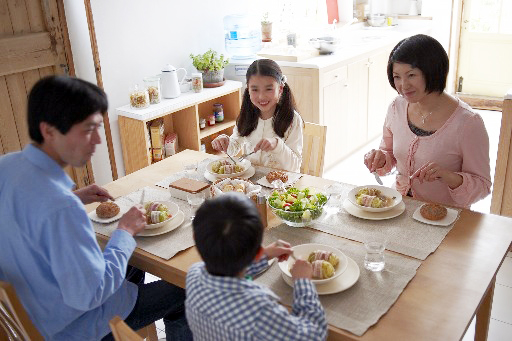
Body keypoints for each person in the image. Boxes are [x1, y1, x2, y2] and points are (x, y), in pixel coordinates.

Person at [0, 76, 191, 340]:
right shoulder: (61, 208)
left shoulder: (7, 166)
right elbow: (91, 293)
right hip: (80, 326)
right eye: (88, 129)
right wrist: (124, 231)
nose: (98, 141)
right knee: (186, 288)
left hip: (35, 307)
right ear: (49, 131)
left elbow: (27, 214)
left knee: (134, 261)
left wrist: (76, 197)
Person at [363, 34, 491, 209]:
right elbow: (389, 153)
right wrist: (380, 158)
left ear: (432, 71)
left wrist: (446, 176)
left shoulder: (468, 123)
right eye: (397, 77)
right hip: (399, 207)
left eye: (411, 75)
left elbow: (482, 186)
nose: (403, 85)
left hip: (445, 216)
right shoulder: (396, 107)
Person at [186, 193, 327, 341]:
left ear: (195, 237)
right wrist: (303, 282)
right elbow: (314, 335)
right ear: (257, 249)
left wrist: (264, 255)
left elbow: (227, 271)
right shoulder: (260, 310)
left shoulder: (193, 274)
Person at [211, 59, 303, 173]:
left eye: (269, 89)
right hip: (252, 182)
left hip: (282, 185)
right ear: (248, 90)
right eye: (255, 89)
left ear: (280, 88)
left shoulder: (292, 119)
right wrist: (226, 142)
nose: (261, 96)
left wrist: (277, 145)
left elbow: (294, 166)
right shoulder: (247, 114)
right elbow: (234, 146)